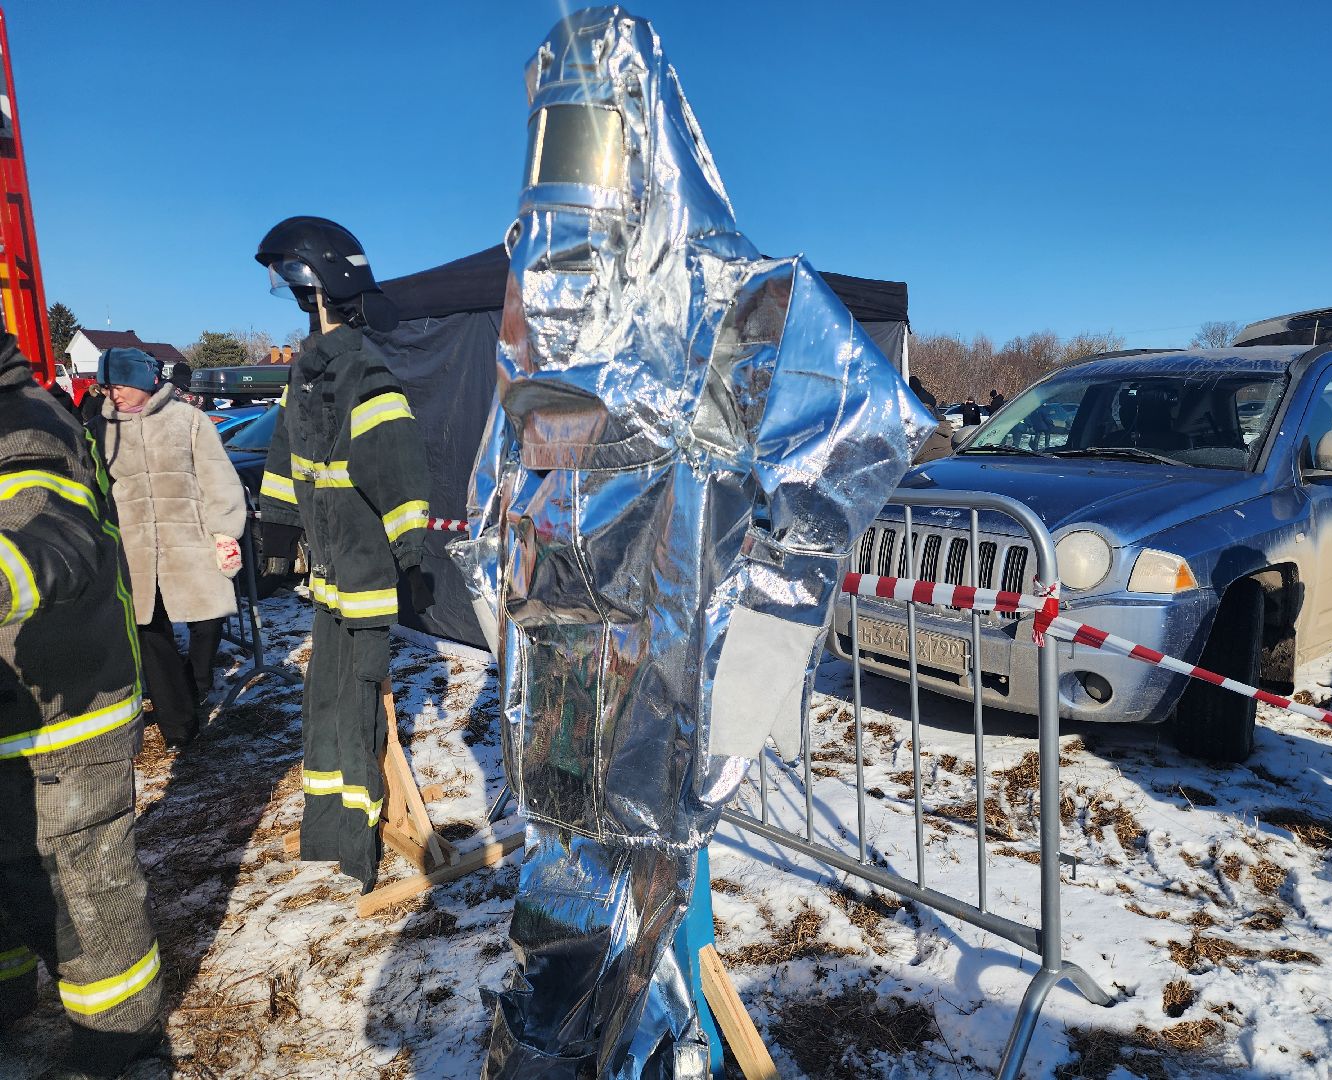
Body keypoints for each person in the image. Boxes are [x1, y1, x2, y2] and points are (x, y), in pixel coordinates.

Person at [451, 10, 932, 1077]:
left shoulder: (739, 303)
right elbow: (502, 480)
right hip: (559, 686)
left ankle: (640, 1048)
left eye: (583, 144)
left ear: (643, 145)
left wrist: (752, 625)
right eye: (548, 145)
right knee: (567, 896)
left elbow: (861, 431)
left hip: (666, 685)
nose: (560, 197)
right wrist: (500, 584)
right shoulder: (532, 318)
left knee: (645, 914)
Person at [0, 333, 166, 1077]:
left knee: (85, 890)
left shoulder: (25, 424)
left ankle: (119, 1041)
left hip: (66, 717)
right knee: (12, 874)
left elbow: (56, 535)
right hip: (16, 709)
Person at [255, 216, 432, 893]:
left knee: (357, 712)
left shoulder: (365, 375)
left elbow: (400, 472)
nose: (301, 305)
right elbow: (282, 463)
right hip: (328, 582)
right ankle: (330, 829)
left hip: (362, 582)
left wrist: (411, 555)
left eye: (303, 290)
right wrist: (275, 535)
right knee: (323, 705)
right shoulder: (304, 377)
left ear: (325, 289)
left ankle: (358, 847)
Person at [89, 346, 246, 749]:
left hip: (190, 541)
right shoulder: (100, 428)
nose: (114, 395)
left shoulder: (187, 420)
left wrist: (225, 531)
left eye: (120, 385)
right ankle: (179, 725)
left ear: (143, 382)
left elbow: (218, 477)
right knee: (149, 630)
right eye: (107, 387)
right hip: (135, 548)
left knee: (208, 619)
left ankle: (196, 682)